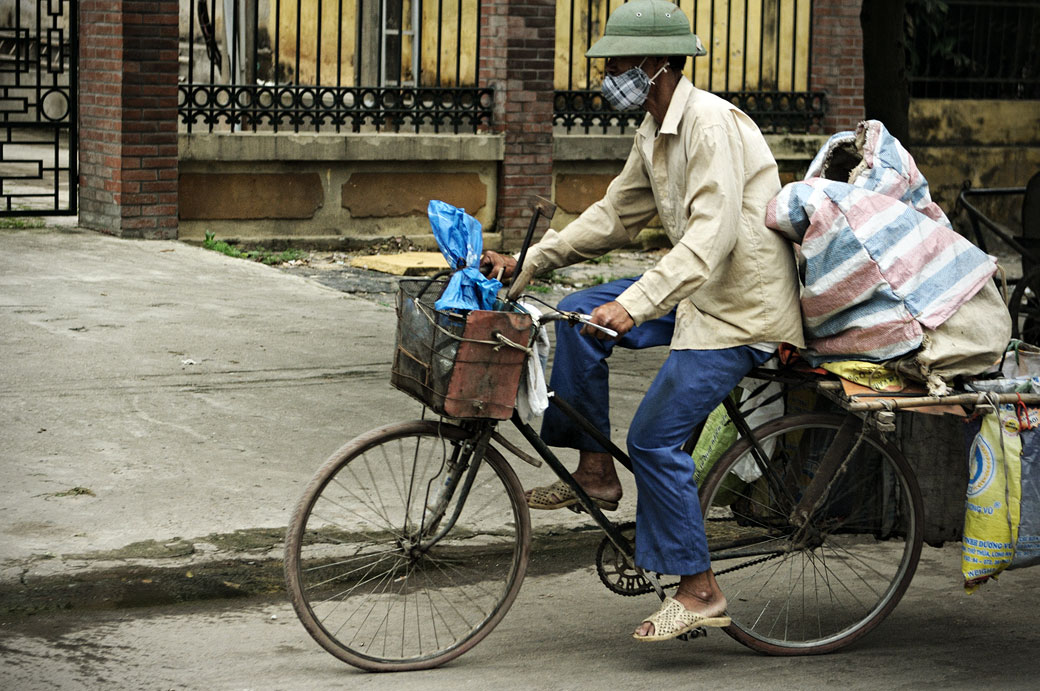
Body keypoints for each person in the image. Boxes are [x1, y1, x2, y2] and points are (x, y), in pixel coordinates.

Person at [481, 0, 804, 641]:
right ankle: (596, 472)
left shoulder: (709, 124)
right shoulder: (654, 130)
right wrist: (530, 262)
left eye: (622, 63)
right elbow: (615, 215)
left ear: (656, 64)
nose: (610, 76)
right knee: (574, 318)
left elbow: (709, 242)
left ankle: (700, 589)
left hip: (741, 311)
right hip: (695, 292)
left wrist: (633, 304)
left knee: (655, 438)